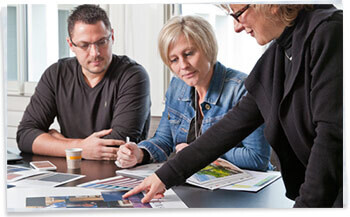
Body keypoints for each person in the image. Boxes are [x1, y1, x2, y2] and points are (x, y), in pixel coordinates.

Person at [123, 4, 343, 208]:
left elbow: (331, 139)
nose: (236, 27)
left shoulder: (330, 32)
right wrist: (165, 176)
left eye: (239, 14)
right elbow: (231, 125)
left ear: (272, 4)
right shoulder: (277, 54)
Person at [116, 15, 273, 171]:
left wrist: (198, 152)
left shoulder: (242, 88)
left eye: (189, 53)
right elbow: (164, 140)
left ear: (208, 48)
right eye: (174, 60)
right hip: (199, 184)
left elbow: (257, 158)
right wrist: (140, 153)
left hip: (244, 188)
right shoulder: (177, 86)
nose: (183, 65)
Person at [16, 4, 151, 161]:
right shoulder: (56, 74)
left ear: (112, 36)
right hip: (70, 172)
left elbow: (117, 145)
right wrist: (79, 147)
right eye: (85, 45)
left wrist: (58, 141)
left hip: (118, 175)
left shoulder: (133, 75)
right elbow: (25, 135)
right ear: (70, 44)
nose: (95, 53)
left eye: (102, 42)